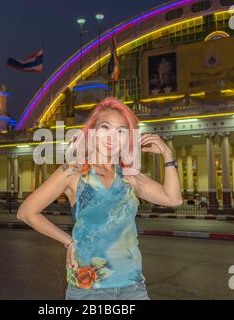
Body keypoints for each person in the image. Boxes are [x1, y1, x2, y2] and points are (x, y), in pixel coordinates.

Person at [17, 97, 182, 300]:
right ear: (92, 131)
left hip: (133, 286)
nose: (112, 137)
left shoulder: (130, 175)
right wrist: (68, 242)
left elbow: (173, 199)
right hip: (88, 289)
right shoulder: (74, 171)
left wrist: (168, 156)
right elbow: (26, 212)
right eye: (105, 127)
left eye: (121, 131)